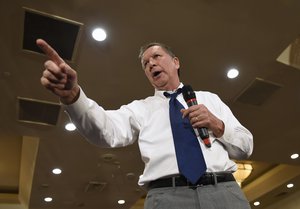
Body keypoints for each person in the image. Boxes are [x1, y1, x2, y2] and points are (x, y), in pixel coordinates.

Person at [37, 38, 253, 209]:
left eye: (156, 56)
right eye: (145, 63)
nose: (151, 63)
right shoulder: (140, 109)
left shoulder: (210, 99)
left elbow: (246, 146)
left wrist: (218, 126)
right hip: (167, 198)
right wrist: (73, 96)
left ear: (176, 62)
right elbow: (105, 130)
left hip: (224, 193)